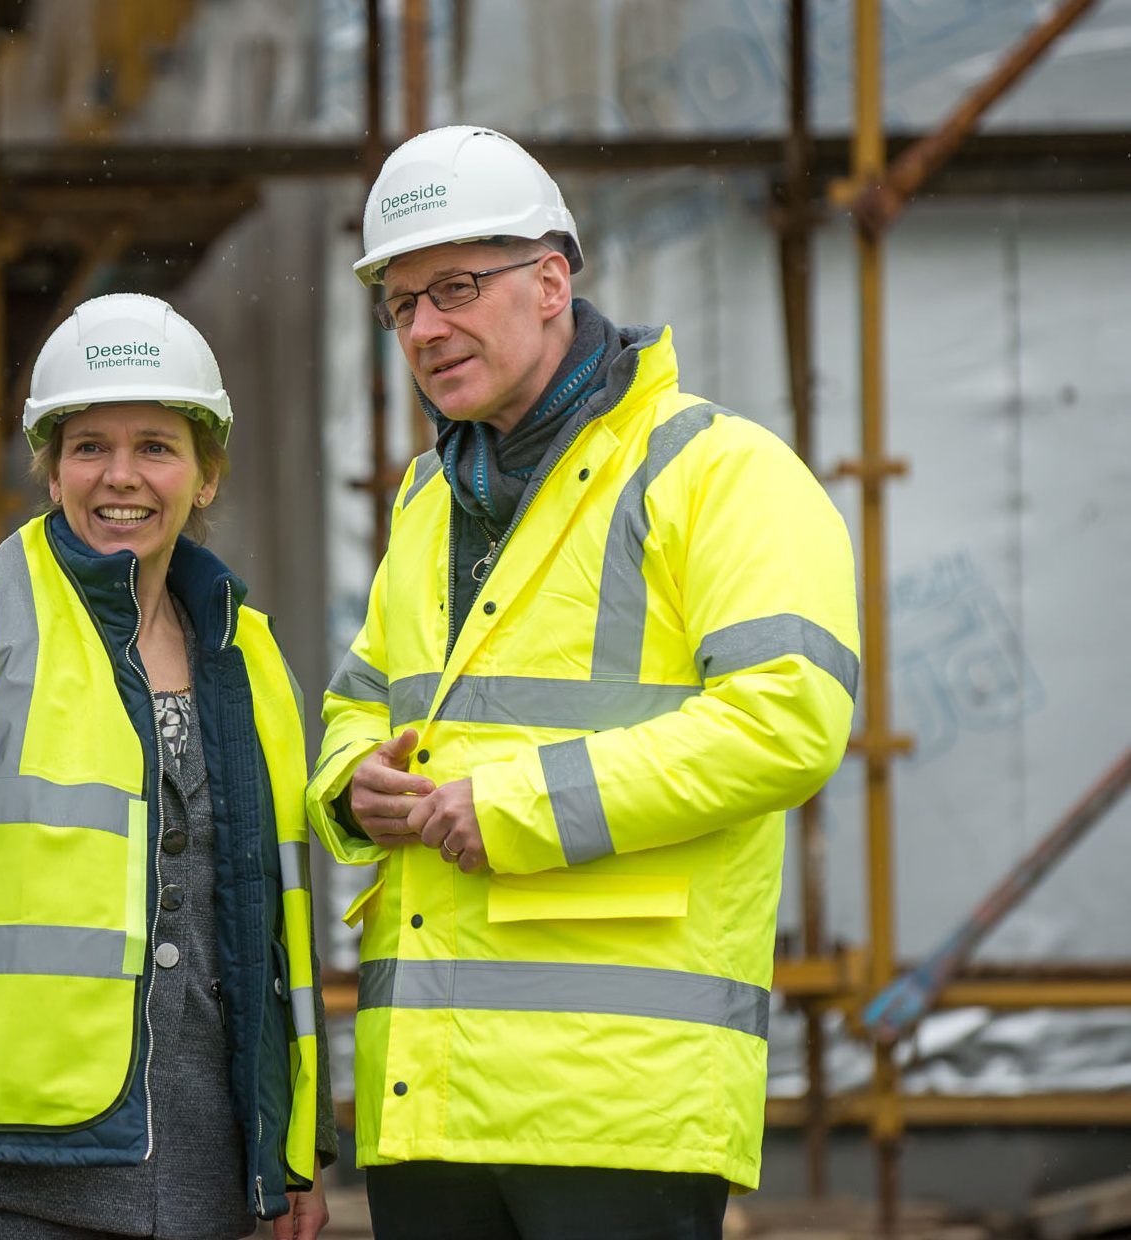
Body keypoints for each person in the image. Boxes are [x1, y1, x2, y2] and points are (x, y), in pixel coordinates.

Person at [308, 126, 860, 1240]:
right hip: (429, 1096)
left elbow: (789, 715)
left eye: (454, 287)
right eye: (400, 303)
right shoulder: (429, 497)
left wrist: (513, 807)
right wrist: (347, 783)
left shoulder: (717, 472)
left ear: (552, 280)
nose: (423, 327)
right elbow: (362, 695)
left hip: (616, 1102)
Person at [0, 292, 335, 1240]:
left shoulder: (245, 651)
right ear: (51, 474)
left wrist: (291, 1148)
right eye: (89, 446)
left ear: (205, 477)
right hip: (23, 1158)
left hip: (206, 1152)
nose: (121, 476)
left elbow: (265, 919)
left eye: (156, 446)